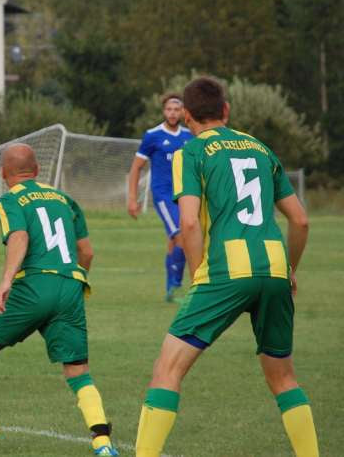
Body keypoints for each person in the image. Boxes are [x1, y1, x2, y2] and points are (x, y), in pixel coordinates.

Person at [134, 77, 317, 456]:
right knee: (284, 378)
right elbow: (300, 221)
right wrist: (289, 270)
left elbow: (188, 224)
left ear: (185, 115)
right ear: (226, 110)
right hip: (274, 268)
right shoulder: (261, 149)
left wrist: (199, 271)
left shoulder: (192, 151)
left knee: (167, 372)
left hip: (226, 271)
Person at [0, 144, 119, 456]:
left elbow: (19, 236)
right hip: (70, 286)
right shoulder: (64, 199)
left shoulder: (9, 199)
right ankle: (103, 444)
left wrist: (5, 281)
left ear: (2, 174)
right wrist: (73, 285)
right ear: (38, 171)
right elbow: (87, 252)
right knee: (79, 372)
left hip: (33, 286)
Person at [127, 94, 193, 302]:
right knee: (181, 235)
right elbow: (136, 168)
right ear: (164, 111)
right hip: (163, 195)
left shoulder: (189, 136)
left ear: (183, 112)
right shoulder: (153, 135)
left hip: (184, 194)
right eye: (169, 109)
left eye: (177, 109)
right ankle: (177, 285)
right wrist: (132, 198)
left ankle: (169, 292)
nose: (173, 113)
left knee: (174, 241)